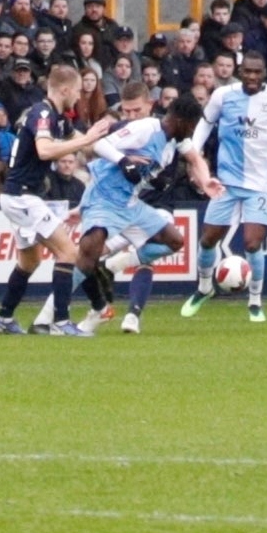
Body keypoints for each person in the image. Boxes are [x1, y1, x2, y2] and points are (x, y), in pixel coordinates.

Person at [181, 46, 267, 323]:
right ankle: (204, 287)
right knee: (208, 240)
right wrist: (194, 157)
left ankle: (255, 301)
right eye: (247, 71)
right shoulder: (223, 96)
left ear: (264, 73)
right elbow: (205, 124)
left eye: (257, 72)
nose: (252, 76)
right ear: (240, 72)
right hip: (226, 182)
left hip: (261, 185)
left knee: (252, 243)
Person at [66, 75, 181, 338]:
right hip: (118, 204)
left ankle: (132, 315)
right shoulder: (122, 131)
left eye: (136, 110)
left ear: (150, 105)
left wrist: (203, 175)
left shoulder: (169, 128)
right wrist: (84, 206)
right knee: (91, 253)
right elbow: (101, 175)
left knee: (148, 248)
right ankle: (77, 310)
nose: (131, 116)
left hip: (154, 204)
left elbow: (193, 154)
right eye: (126, 111)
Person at [0, 62, 93, 337]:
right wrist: (84, 142)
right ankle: (60, 322)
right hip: (22, 196)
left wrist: (118, 151)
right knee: (69, 252)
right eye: (78, 91)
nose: (80, 96)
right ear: (66, 89)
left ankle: (3, 319)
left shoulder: (58, 117)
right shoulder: (42, 113)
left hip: (20, 196)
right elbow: (45, 150)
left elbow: (87, 143)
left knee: (29, 261)